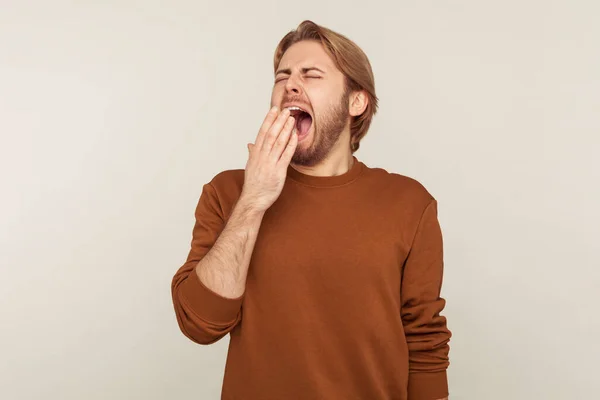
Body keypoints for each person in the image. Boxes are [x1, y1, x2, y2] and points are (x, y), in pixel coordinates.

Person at [171, 20, 451, 400]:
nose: (290, 85)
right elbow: (201, 325)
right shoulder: (229, 192)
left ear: (356, 101)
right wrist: (254, 200)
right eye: (282, 76)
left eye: (311, 75)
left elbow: (425, 342)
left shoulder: (409, 203)